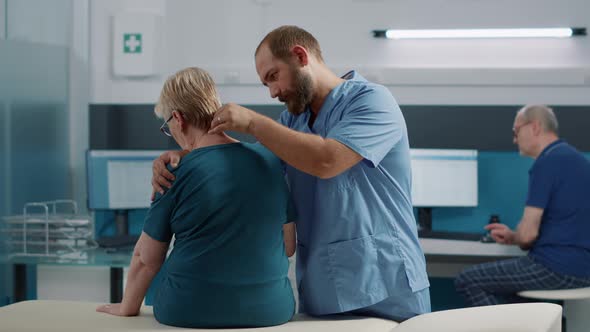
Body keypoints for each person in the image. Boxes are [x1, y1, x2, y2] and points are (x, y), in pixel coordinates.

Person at [152, 25, 430, 321]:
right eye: (266, 84)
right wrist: (186, 154)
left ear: (300, 56)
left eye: (273, 76)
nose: (273, 92)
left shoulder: (372, 101)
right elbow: (250, 164)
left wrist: (252, 122)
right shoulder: (292, 121)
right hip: (323, 288)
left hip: (386, 284)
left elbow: (327, 160)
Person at [97, 67, 296, 328]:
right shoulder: (269, 160)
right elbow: (288, 244)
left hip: (187, 310)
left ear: (178, 118)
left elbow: (146, 259)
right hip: (272, 311)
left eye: (168, 127)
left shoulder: (174, 173)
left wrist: (127, 307)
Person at [455, 104, 590, 306]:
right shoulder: (577, 160)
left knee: (468, 280)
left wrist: (515, 237)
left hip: (555, 267)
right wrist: (512, 237)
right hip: (582, 269)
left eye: (516, 131)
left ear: (534, 127)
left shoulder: (547, 162)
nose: (514, 139)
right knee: (514, 300)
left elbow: (527, 236)